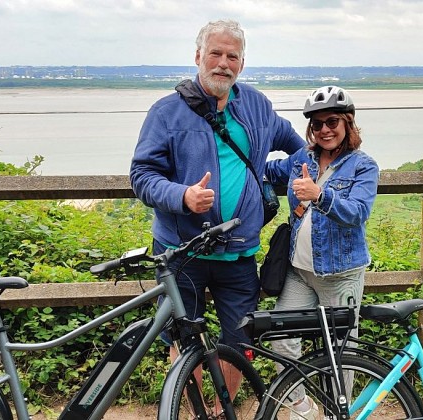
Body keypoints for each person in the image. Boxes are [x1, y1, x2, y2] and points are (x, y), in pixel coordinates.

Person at [130, 18, 305, 367]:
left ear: (242, 62)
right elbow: (142, 175)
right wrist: (182, 196)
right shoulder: (166, 112)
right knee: (184, 341)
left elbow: (298, 150)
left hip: (239, 252)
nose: (224, 63)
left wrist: (281, 183)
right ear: (198, 56)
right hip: (183, 252)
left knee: (241, 343)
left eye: (233, 56)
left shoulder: (256, 105)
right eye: (215, 54)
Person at [265, 85, 379, 419]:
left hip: (341, 277)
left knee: (342, 354)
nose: (324, 130)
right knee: (281, 337)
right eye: (317, 124)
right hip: (298, 273)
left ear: (347, 124)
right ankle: (302, 406)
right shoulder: (302, 158)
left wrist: (319, 195)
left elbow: (357, 212)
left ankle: (336, 414)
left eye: (332, 121)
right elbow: (267, 171)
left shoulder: (363, 166)